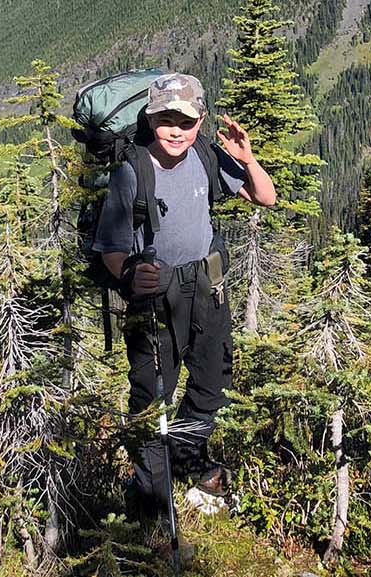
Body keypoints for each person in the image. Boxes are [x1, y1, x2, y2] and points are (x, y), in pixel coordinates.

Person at [92, 71, 277, 530]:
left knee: (211, 386)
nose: (175, 130)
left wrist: (247, 160)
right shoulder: (131, 170)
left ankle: (187, 460)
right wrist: (131, 274)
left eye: (186, 120)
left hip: (207, 289)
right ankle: (152, 507)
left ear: (201, 121)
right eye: (165, 119)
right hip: (155, 297)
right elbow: (111, 250)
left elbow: (266, 198)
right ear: (150, 119)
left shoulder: (206, 157)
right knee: (153, 399)